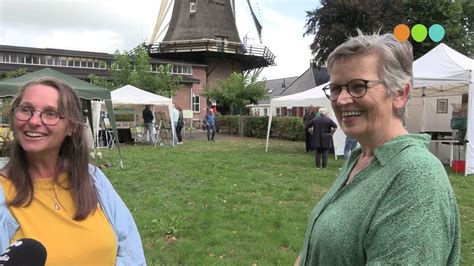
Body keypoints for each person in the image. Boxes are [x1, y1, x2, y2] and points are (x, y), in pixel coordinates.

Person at [295, 32, 460, 265]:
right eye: (335, 89)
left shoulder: (417, 177)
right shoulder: (359, 157)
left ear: (399, 94)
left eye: (358, 86)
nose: (341, 100)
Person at [0, 78, 146, 265]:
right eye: (26, 110)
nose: (34, 121)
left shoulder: (93, 178)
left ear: (72, 127)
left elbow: (131, 252)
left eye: (50, 113)